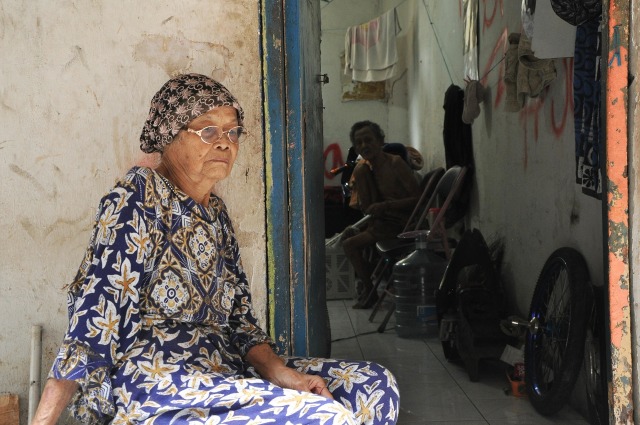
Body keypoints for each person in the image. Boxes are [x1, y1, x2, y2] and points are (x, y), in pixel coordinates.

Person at [32, 74, 399, 425]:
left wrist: (281, 373)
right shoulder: (137, 200)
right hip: (158, 384)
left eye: (232, 131)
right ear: (169, 134)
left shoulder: (216, 214)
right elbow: (93, 323)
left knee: (374, 387)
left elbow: (239, 317)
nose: (224, 142)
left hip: (222, 373)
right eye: (207, 130)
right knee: (323, 417)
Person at [342, 121, 420, 309]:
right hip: (382, 224)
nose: (364, 146)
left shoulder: (395, 163)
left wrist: (387, 205)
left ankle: (369, 291)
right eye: (359, 143)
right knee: (348, 237)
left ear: (380, 141)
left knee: (349, 245)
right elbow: (369, 209)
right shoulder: (364, 169)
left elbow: (419, 199)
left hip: (403, 225)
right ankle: (369, 286)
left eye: (368, 140)